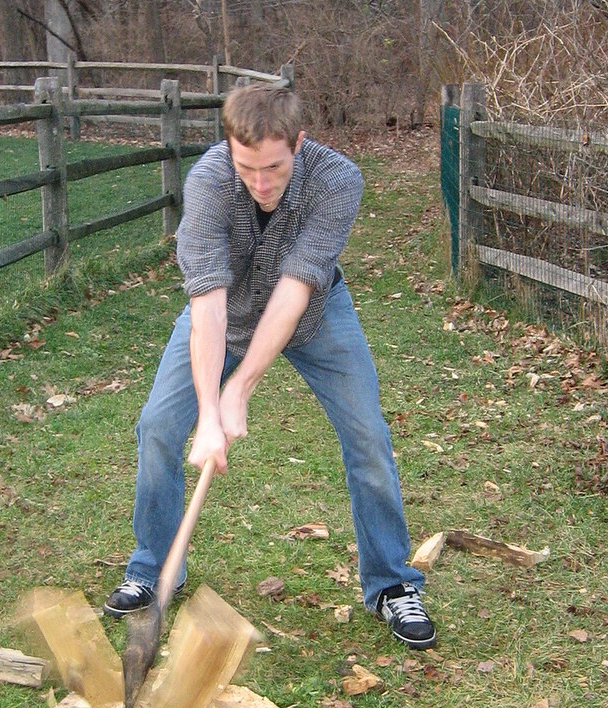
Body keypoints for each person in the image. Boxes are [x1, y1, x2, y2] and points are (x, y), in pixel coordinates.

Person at [103, 82, 436, 649]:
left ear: (299, 144)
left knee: (368, 437)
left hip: (312, 314)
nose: (261, 183)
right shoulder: (208, 183)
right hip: (225, 317)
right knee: (160, 426)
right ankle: (155, 569)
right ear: (229, 148)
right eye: (247, 167)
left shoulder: (337, 180)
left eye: (274, 167)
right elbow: (206, 305)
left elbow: (295, 288)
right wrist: (210, 408)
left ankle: (391, 584)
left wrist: (241, 389)